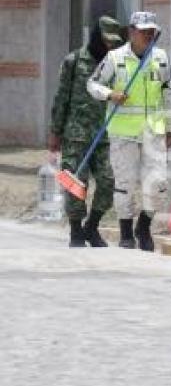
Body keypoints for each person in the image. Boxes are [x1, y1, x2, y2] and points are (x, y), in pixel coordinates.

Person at [87, 11, 171, 251]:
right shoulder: (115, 58)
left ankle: (144, 226)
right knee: (125, 183)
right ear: (131, 32)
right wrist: (110, 94)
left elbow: (169, 94)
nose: (148, 35)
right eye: (143, 31)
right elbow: (92, 84)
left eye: (152, 31)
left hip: (153, 130)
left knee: (157, 183)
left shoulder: (161, 57)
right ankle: (126, 232)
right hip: (123, 131)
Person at [49, 16, 123, 247]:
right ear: (95, 37)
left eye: (114, 42)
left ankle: (92, 227)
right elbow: (62, 97)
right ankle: (75, 230)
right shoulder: (74, 60)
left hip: (105, 134)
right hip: (76, 133)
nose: (109, 45)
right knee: (75, 182)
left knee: (108, 181)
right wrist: (55, 132)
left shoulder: (116, 63)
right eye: (105, 40)